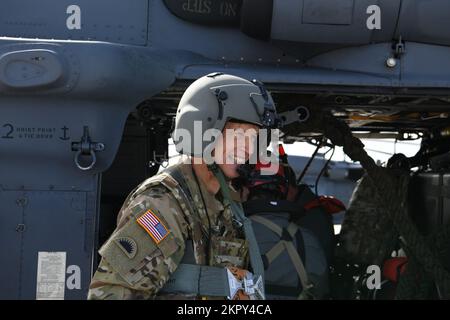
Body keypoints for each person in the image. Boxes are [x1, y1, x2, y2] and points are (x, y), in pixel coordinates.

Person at [87, 73, 280, 299]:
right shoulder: (163, 204)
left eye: (254, 138)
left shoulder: (226, 204)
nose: (248, 149)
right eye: (239, 135)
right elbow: (109, 294)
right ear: (204, 129)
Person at [241, 146, 340, 299]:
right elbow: (321, 290)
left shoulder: (231, 234)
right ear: (285, 191)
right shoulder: (308, 240)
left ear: (246, 191)